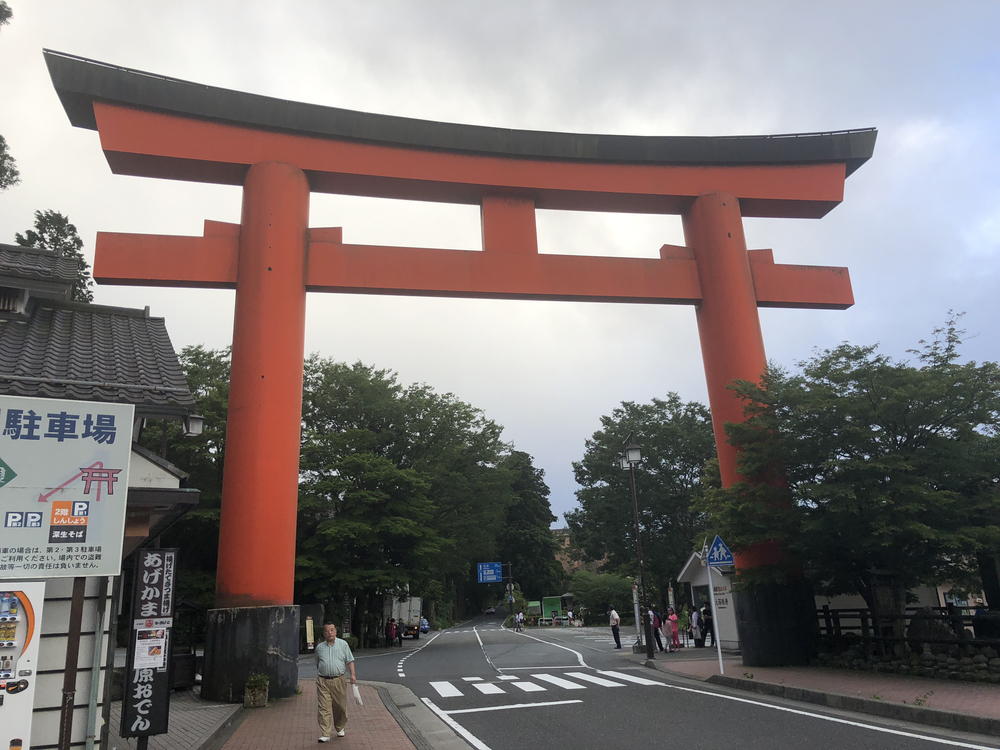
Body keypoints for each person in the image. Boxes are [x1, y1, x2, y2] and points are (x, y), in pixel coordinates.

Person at [316, 623, 356, 742]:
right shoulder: (319, 648)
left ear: (336, 632)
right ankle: (325, 733)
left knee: (340, 706)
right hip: (323, 680)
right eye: (327, 631)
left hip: (339, 679)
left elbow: (349, 660)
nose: (330, 633)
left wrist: (352, 675)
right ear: (324, 634)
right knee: (324, 707)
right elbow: (317, 663)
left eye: (332, 630)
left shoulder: (343, 644)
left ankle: (340, 727)